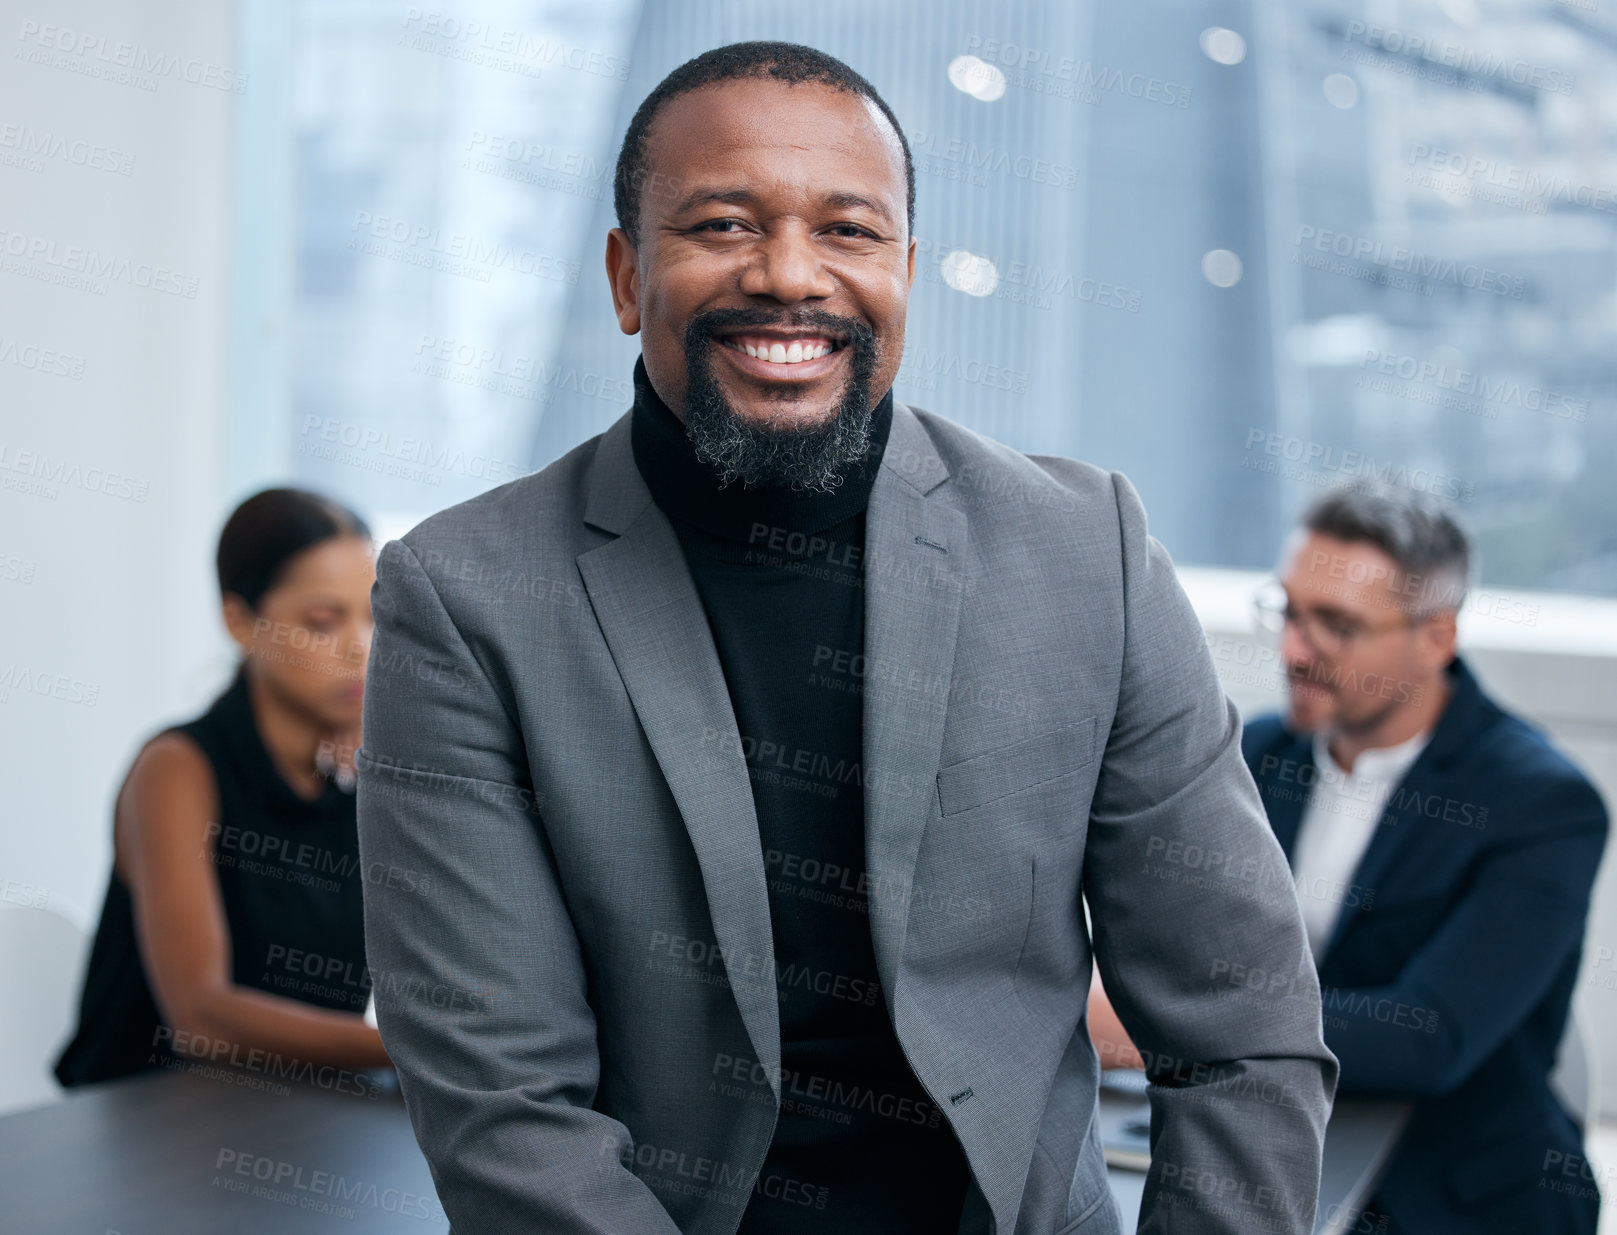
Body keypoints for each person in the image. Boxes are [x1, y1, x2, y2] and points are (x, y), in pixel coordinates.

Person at [356, 41, 1336, 1235]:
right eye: (721, 225)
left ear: (906, 273)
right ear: (624, 277)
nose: (789, 276)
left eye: (849, 231)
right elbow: (502, 1103)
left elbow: (1243, 1032)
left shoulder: (1091, 553)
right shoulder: (464, 596)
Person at [1237, 481, 1608, 1234]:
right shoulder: (1255, 752)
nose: (1293, 650)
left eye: (1335, 625)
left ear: (1435, 638)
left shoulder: (1541, 804)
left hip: (1461, 1188)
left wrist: (1183, 1018)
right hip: (1282, 1146)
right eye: (1288, 610)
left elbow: (1424, 1036)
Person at [54, 487, 390, 1088]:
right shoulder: (177, 768)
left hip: (304, 1120)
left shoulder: (365, 771)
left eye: (372, 614)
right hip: (149, 1134)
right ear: (240, 622)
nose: (358, 647)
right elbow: (201, 1017)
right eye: (322, 621)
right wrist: (410, 1050)